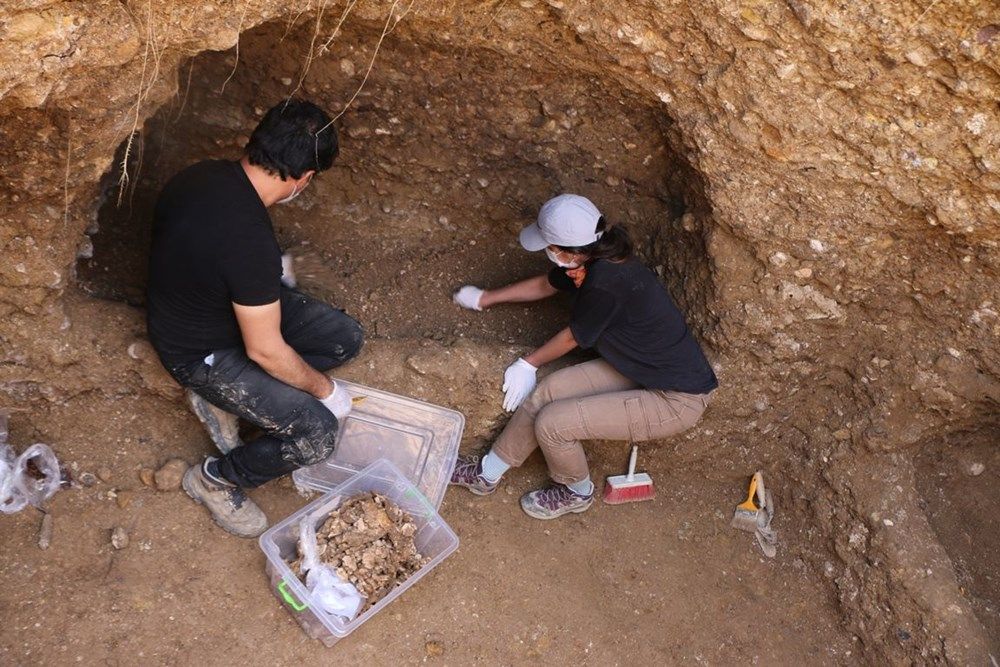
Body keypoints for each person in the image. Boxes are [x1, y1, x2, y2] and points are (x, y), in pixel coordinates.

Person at [147, 99, 363, 538]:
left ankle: (240, 399)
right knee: (316, 435)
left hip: (214, 307)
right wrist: (326, 391)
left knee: (343, 338)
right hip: (197, 351)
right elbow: (264, 349)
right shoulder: (249, 243)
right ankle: (215, 479)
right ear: (305, 177)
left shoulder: (200, 175)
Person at [450, 194, 718, 520]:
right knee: (549, 390)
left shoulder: (606, 281)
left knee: (553, 425)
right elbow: (545, 285)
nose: (549, 253)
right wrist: (485, 298)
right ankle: (486, 474)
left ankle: (577, 492)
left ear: (571, 250)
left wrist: (528, 363)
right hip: (640, 369)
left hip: (677, 398)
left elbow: (573, 336)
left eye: (551, 246)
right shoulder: (595, 258)